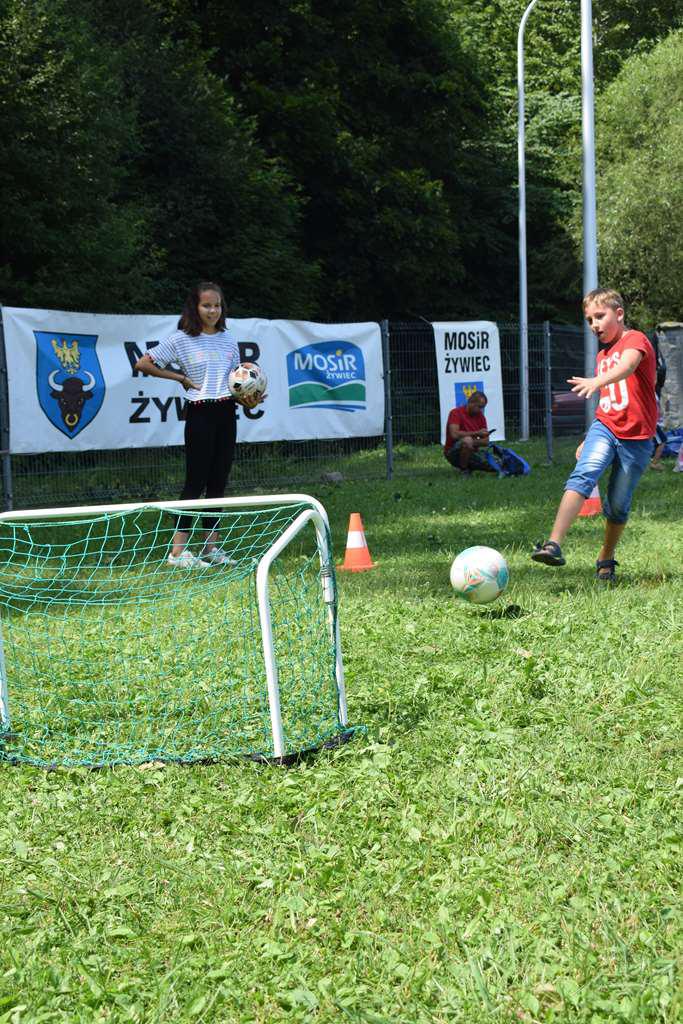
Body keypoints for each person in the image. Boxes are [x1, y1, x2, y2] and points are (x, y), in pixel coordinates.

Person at [531, 287, 657, 583]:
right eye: (589, 320)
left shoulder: (635, 340)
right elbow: (609, 402)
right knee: (584, 473)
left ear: (619, 314)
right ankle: (553, 544)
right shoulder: (602, 355)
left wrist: (597, 380)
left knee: (618, 505)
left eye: (600, 316)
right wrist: (590, 436)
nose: (594, 325)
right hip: (606, 427)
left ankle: (605, 556)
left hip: (637, 439)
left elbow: (627, 367)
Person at [135, 281, 262, 567]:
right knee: (196, 481)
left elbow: (235, 384)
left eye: (217, 306)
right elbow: (143, 364)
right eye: (206, 305)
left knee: (218, 481)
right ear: (195, 307)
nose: (213, 311)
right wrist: (180, 378)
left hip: (226, 412)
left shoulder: (228, 339)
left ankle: (210, 548)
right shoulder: (181, 339)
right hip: (200, 413)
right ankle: (177, 553)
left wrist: (249, 400)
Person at [443, 391, 496, 475]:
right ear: (470, 403)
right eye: (479, 407)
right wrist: (476, 434)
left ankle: (471, 465)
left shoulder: (481, 417)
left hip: (472, 452)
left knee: (497, 464)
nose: (481, 410)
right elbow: (454, 434)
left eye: (482, 407)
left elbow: (485, 441)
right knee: (467, 441)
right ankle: (464, 470)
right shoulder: (455, 413)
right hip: (452, 452)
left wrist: (471, 442)